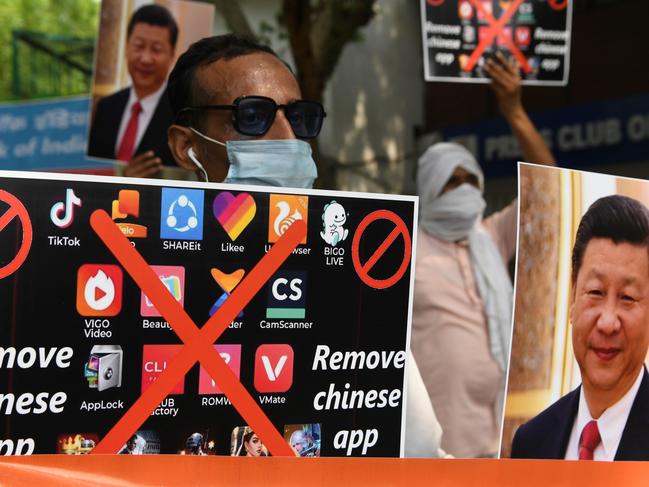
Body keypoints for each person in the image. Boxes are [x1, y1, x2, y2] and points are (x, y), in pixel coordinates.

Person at [165, 33, 447, 458]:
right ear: (187, 146)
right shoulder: (159, 272)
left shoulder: (347, 278)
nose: (288, 138)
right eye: (253, 116)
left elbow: (418, 448)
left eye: (298, 118)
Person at [411, 53, 556, 457]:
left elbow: (547, 190)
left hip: (504, 435)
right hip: (441, 446)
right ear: (427, 188)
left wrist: (515, 112)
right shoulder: (403, 247)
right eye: (449, 182)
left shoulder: (489, 235)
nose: (461, 190)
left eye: (468, 180)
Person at [511, 195, 649, 461]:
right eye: (595, 291)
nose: (608, 322)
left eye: (628, 297)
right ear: (573, 294)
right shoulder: (531, 442)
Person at [87, 4, 177, 177]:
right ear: (127, 47)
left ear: (172, 55)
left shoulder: (180, 115)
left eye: (156, 49)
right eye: (139, 45)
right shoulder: (106, 107)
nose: (145, 59)